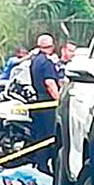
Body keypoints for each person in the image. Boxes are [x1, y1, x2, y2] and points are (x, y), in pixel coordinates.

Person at [29, 34, 61, 174]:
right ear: (51, 46)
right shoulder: (47, 63)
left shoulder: (35, 61)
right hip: (48, 103)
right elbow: (50, 83)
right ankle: (53, 166)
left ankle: (41, 165)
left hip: (38, 100)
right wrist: (58, 100)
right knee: (52, 135)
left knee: (41, 135)